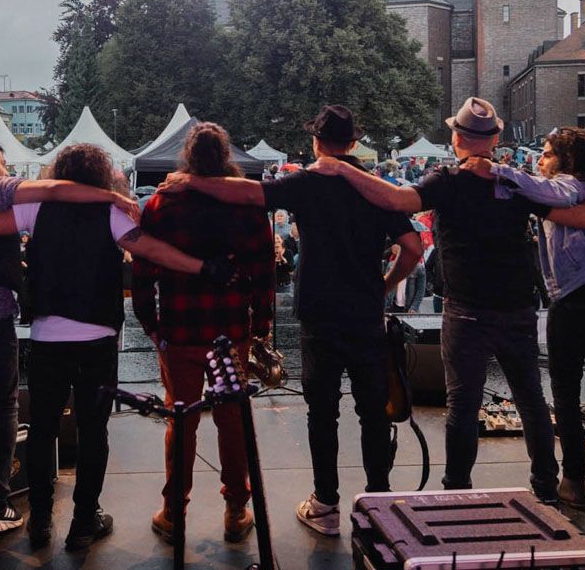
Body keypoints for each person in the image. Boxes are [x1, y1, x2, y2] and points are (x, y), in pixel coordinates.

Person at [0, 141, 228, 549]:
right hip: (98, 339)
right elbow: (152, 250)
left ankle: (40, 521)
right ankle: (84, 521)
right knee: (93, 431)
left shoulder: (36, 209)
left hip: (48, 337)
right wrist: (202, 267)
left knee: (42, 429)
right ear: (99, 174)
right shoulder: (111, 213)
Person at [313, 98, 585, 504]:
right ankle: (546, 488)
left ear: (456, 139)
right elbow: (577, 214)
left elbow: (396, 200)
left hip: (466, 311)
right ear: (495, 139)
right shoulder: (516, 181)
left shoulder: (446, 181)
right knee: (531, 399)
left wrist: (340, 167)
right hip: (517, 307)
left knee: (463, 405)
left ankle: (457, 491)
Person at [162, 104, 422, 535]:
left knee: (323, 413)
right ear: (353, 142)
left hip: (319, 313)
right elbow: (412, 247)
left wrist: (189, 179)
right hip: (364, 313)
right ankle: (378, 503)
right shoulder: (377, 187)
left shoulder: (307, 182)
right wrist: (384, 284)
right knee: (373, 413)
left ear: (316, 142)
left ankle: (326, 506)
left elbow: (250, 193)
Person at [478, 127, 585, 510]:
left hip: (574, 303)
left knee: (566, 395)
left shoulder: (570, 186)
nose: (540, 160)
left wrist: (498, 170)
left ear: (567, 160)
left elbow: (551, 191)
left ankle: (573, 482)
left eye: (548, 154)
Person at [131, 123, 275, 547]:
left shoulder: (162, 203)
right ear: (226, 156)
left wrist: (150, 323)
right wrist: (261, 323)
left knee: (181, 420)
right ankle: (236, 510)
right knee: (232, 419)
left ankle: (174, 512)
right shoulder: (244, 204)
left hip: (179, 328)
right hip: (230, 330)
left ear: (188, 156)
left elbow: (143, 268)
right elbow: (263, 269)